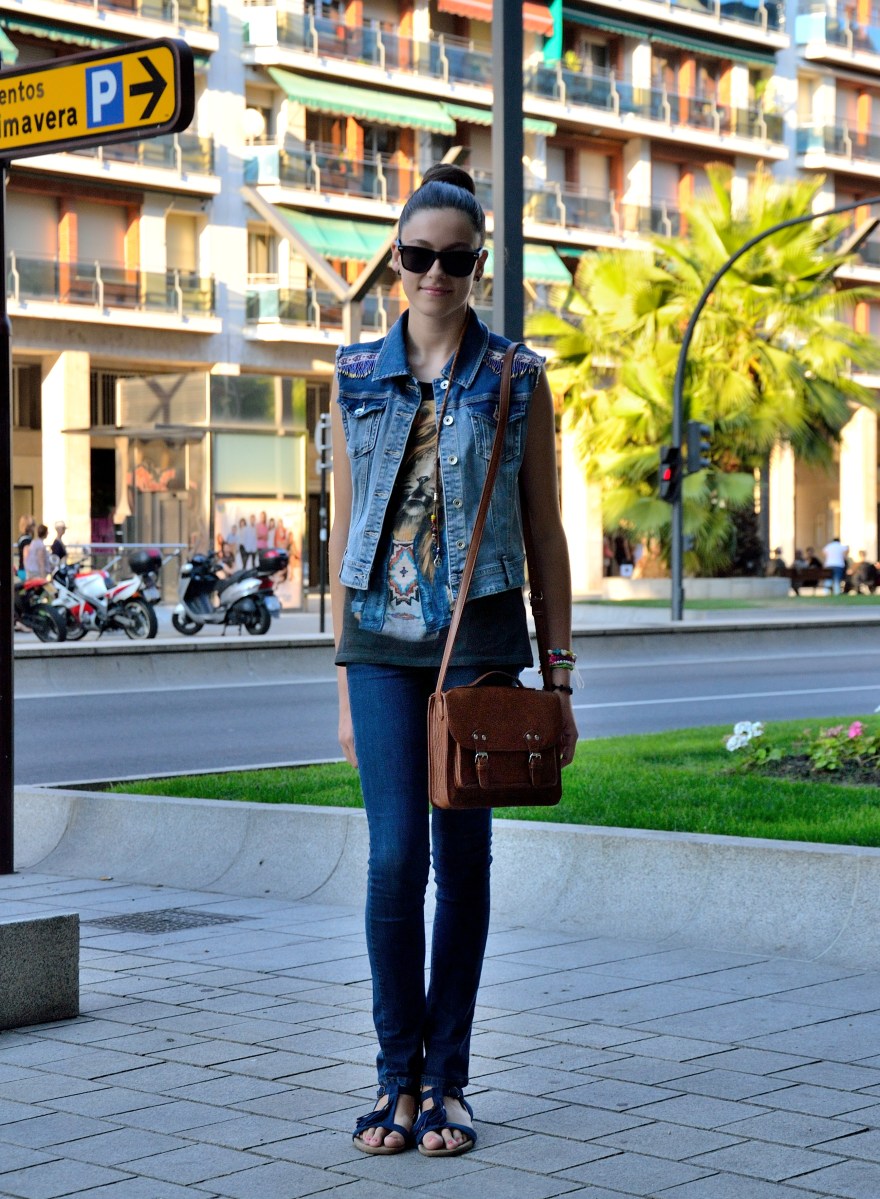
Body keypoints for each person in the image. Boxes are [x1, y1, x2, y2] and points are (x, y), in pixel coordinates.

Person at [329, 163, 578, 1159]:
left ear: (479, 266)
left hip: (479, 647)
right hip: (378, 649)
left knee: (461, 862)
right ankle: (396, 1075)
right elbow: (346, 524)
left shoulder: (516, 376)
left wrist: (559, 675)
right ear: (395, 258)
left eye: (456, 259)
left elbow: (545, 531)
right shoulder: (354, 373)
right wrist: (340, 678)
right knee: (395, 857)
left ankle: (448, 1081)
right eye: (418, 255)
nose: (435, 274)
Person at [16, 516, 34, 581]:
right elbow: (26, 557)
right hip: (26, 571)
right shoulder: (26, 540)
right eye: (33, 525)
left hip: (22, 570)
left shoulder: (22, 537)